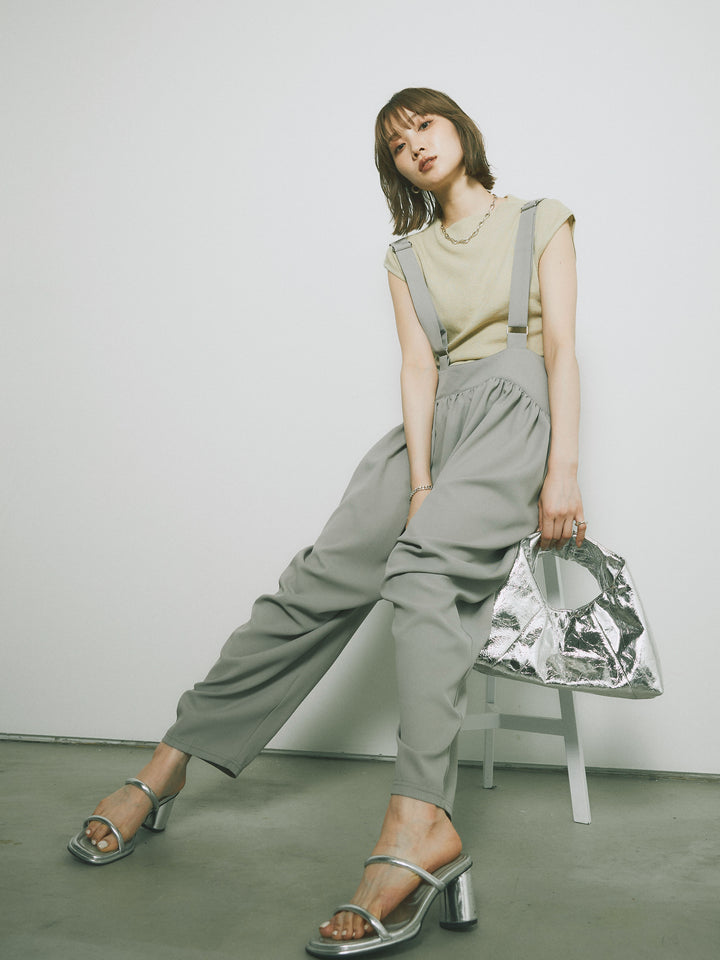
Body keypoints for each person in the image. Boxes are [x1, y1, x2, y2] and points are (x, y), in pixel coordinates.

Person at [67, 87, 586, 957]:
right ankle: (168, 764)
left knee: (422, 572)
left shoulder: (542, 219)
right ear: (395, 171)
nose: (416, 146)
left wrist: (563, 469)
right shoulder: (406, 254)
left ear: (457, 126)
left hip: (514, 415)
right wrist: (418, 482)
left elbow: (563, 348)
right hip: (434, 428)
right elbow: (417, 367)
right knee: (313, 583)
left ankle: (420, 822)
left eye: (424, 125)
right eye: (397, 145)